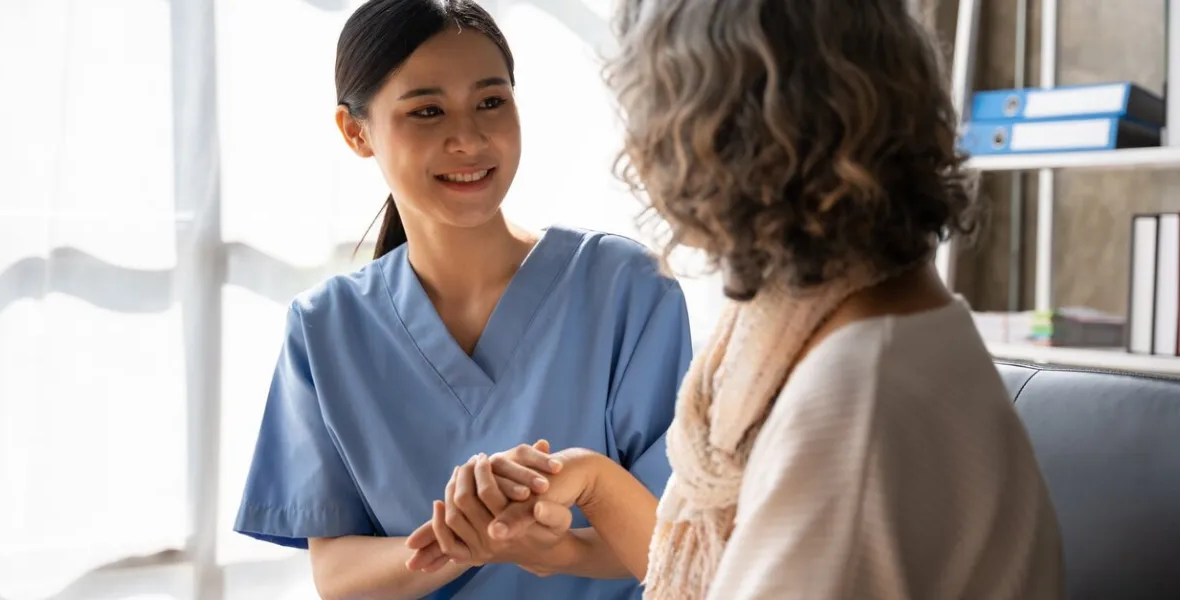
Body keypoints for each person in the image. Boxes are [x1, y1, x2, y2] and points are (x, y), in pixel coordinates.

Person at [408, 0, 1066, 598]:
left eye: (652, 119)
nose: (642, 154)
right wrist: (593, 483)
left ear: (720, 140)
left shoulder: (850, 409)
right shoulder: (892, 326)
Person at [232, 1, 692, 599]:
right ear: (356, 132)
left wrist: (547, 540)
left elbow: (680, 539)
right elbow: (337, 574)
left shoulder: (627, 287)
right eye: (427, 111)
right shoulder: (324, 328)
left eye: (491, 102)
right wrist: (459, 539)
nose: (469, 138)